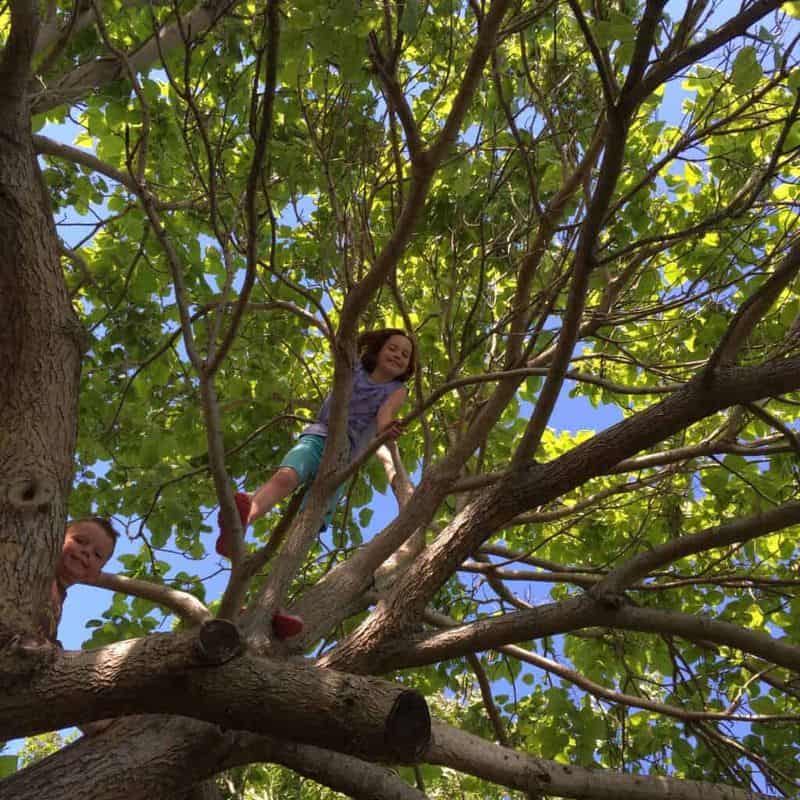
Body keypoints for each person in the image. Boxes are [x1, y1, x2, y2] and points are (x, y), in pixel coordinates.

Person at [216, 329, 416, 635]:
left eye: (405, 354)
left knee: (306, 527)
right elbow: (346, 342)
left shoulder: (396, 390)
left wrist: (388, 430)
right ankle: (242, 520)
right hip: (321, 435)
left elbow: (385, 415)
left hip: (343, 460)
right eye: (393, 348)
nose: (398, 355)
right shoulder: (353, 369)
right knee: (286, 477)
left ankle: (272, 605)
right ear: (377, 350)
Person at [37, 517, 117, 645]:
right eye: (79, 541)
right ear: (55, 538)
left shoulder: (59, 598)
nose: (86, 551)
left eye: (97, 555)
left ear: (95, 575)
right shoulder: (33, 567)